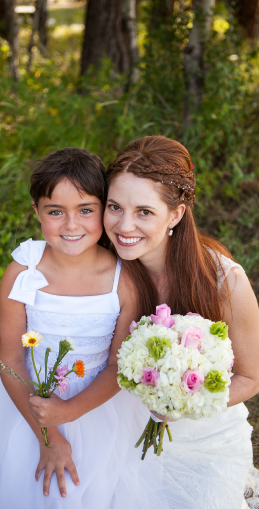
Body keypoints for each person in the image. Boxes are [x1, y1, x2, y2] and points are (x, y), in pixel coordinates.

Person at [0, 148, 164, 508]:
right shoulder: (23, 272)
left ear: (105, 209)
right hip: (24, 398)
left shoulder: (124, 280)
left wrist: (67, 412)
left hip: (98, 404)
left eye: (86, 210)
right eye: (56, 212)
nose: (71, 225)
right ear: (36, 211)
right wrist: (49, 436)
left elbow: (118, 365)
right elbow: (10, 360)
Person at [101, 135, 259, 508]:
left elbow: (251, 377)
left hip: (203, 436)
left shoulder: (225, 282)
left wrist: (185, 401)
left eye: (144, 211)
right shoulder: (101, 265)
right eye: (114, 206)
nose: (124, 225)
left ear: (176, 212)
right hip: (114, 424)